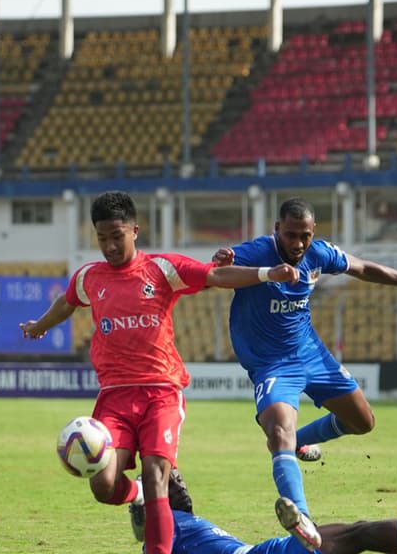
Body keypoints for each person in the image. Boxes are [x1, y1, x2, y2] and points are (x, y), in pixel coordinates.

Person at [20, 191, 298, 554]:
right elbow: (68, 302)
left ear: (135, 231)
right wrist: (40, 326)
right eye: (102, 238)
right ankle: (136, 494)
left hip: (160, 393)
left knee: (156, 477)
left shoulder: (163, 269)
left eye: (117, 236)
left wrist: (267, 273)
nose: (110, 246)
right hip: (114, 397)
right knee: (103, 485)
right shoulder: (90, 276)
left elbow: (216, 275)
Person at [213, 198, 397, 550]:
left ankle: (296, 443)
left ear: (313, 233)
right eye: (291, 235)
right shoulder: (255, 252)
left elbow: (363, 268)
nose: (298, 244)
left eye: (305, 236)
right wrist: (223, 262)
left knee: (363, 421)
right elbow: (212, 276)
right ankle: (303, 521)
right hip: (272, 365)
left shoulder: (319, 253)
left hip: (311, 354)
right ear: (277, 230)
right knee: (278, 430)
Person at [166, 478, 397, 554]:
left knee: (360, 533)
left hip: (265, 549)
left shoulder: (184, 523)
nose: (181, 483)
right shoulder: (166, 523)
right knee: (358, 535)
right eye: (173, 481)